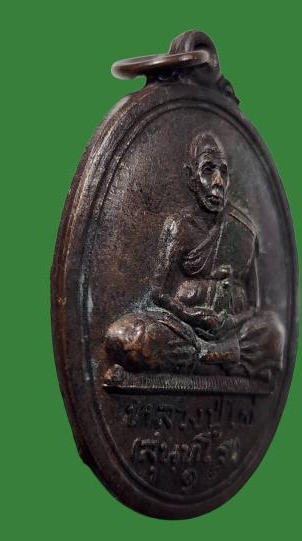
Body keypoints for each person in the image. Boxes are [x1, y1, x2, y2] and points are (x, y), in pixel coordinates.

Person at [106, 132, 284, 380]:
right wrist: (193, 316)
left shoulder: (244, 230)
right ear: (191, 178)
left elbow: (255, 305)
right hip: (186, 328)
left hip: (233, 331)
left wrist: (233, 322)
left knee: (275, 332)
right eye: (208, 170)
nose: (218, 181)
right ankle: (221, 358)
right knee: (126, 337)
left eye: (224, 172)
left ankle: (203, 357)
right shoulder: (180, 227)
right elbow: (158, 293)